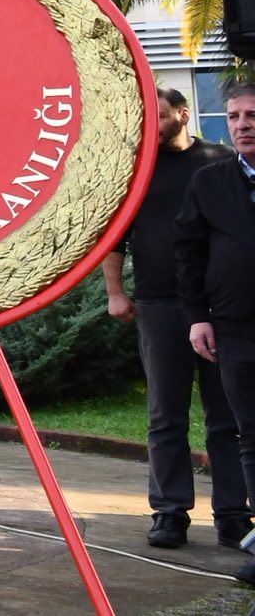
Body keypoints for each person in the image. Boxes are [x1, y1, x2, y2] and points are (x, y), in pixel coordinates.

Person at [103, 86, 244, 547]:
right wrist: (116, 293)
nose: (152, 125)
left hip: (220, 309)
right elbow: (113, 237)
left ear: (184, 116)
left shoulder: (219, 163)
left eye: (159, 116)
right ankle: (169, 512)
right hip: (159, 305)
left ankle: (233, 515)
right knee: (166, 414)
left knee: (227, 416)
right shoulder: (137, 170)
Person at [176, 80, 255, 581]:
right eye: (235, 117)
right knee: (251, 437)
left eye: (252, 115)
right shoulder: (209, 181)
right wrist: (197, 316)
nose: (243, 125)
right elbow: (188, 253)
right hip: (235, 329)